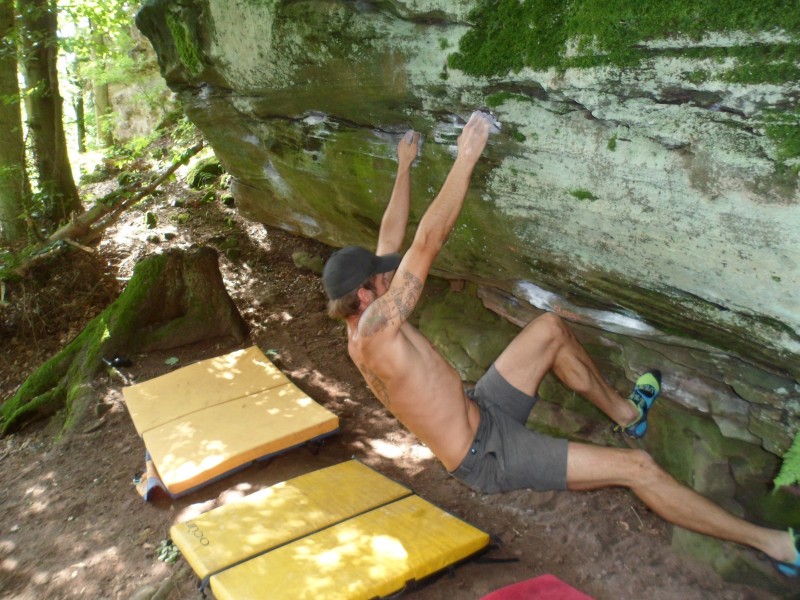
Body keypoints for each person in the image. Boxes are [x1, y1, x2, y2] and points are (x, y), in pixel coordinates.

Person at [321, 111, 799, 576]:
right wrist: (465, 156)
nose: (388, 275)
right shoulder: (376, 333)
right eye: (379, 279)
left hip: (480, 409)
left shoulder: (363, 315)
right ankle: (775, 544)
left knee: (549, 329)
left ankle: (627, 416)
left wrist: (404, 166)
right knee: (638, 469)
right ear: (365, 295)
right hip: (487, 455)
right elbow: (426, 243)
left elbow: (390, 241)